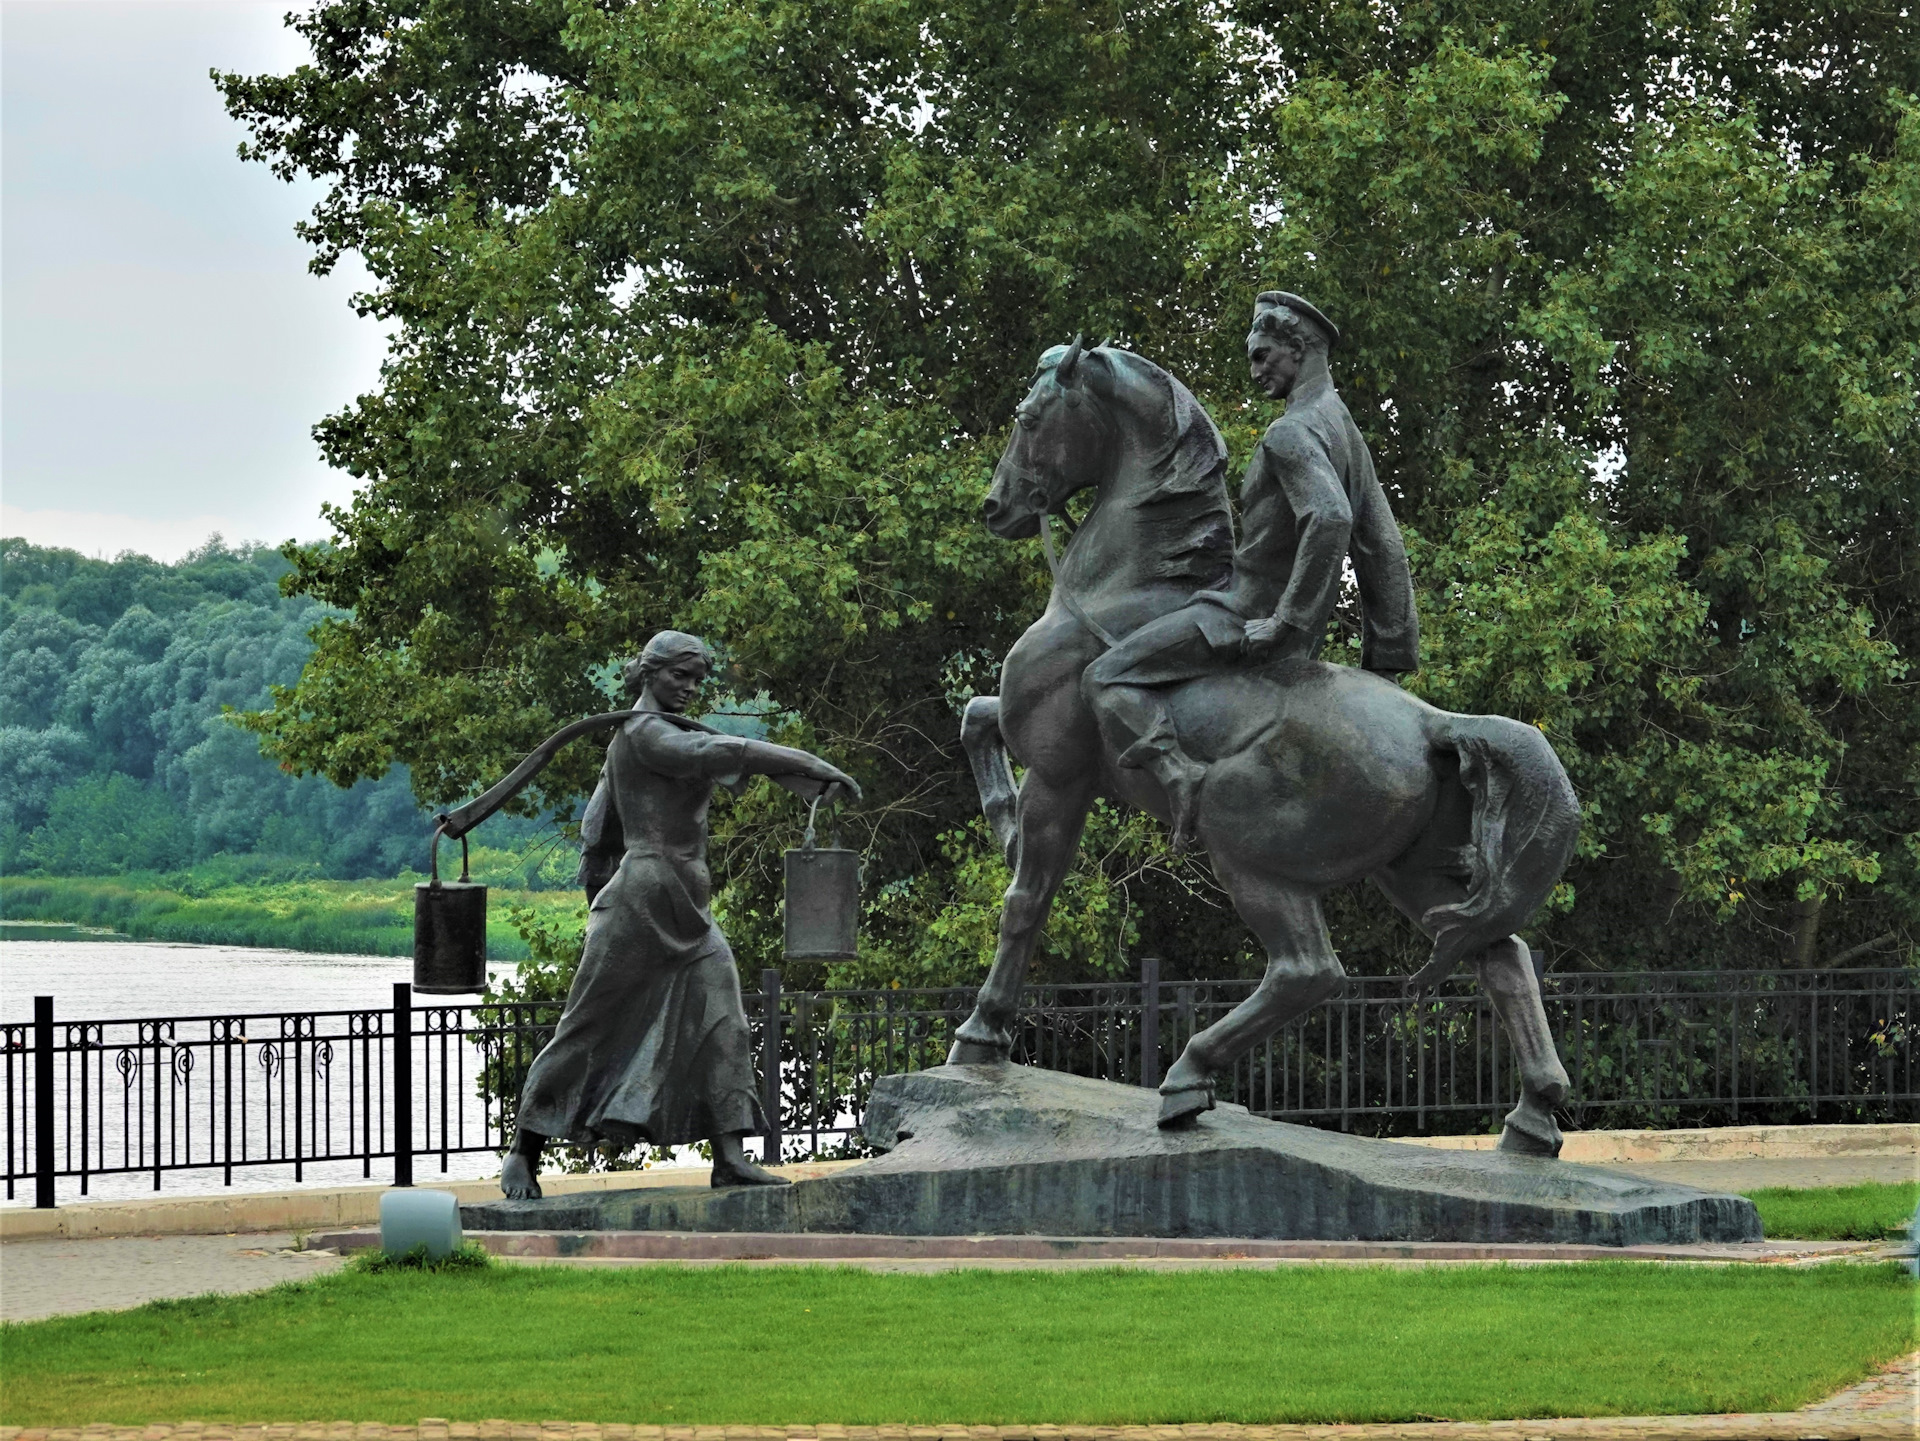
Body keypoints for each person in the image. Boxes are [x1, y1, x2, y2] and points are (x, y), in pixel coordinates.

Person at [499, 630, 860, 1198]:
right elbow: (716, 757)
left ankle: (729, 1156)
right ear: (650, 673)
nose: (691, 688)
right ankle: (523, 1151)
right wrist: (812, 763)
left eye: (697, 678)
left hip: (690, 906)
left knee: (725, 1022)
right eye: (680, 676)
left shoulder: (672, 729)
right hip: (640, 900)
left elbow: (616, 810)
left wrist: (802, 783)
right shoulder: (644, 735)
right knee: (587, 1024)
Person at [1084, 291, 1420, 851]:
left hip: (1240, 615)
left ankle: (1180, 778)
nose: (1256, 370)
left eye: (1264, 355)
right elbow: (1382, 542)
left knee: (1103, 677)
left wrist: (1286, 621)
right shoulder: (1340, 425)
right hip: (1281, 625)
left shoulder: (1289, 433)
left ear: (1299, 348)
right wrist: (1387, 660)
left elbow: (1332, 518)